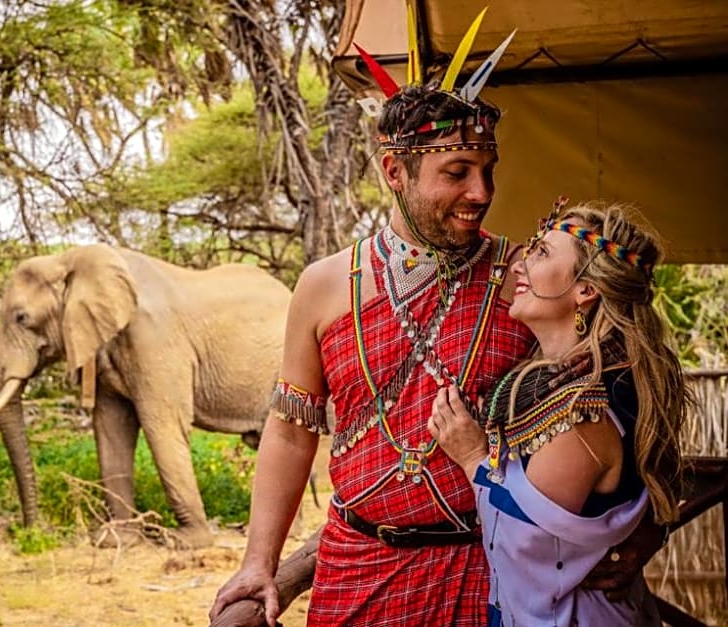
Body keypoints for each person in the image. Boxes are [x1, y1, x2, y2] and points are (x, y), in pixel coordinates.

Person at [209, 10, 665, 627]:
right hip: (354, 570)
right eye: (457, 173)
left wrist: (650, 524)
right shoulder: (324, 288)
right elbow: (291, 431)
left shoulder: (524, 278)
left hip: (490, 575)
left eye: (488, 171)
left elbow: (631, 385)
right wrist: (259, 563)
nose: (482, 193)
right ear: (394, 171)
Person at [428, 200, 687, 625]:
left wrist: (473, 456)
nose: (519, 266)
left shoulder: (586, 413)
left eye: (542, 253)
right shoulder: (595, 378)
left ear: (586, 289)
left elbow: (526, 543)